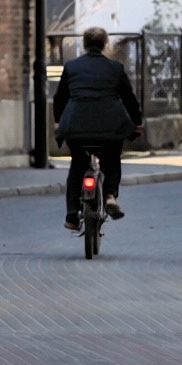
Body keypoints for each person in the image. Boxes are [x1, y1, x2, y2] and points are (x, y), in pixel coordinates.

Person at [52, 26, 144, 231]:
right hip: (109, 126)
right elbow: (129, 99)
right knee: (111, 159)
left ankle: (71, 216)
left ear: (84, 45)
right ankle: (110, 194)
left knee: (78, 164)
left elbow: (60, 98)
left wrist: (59, 120)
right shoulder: (115, 68)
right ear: (105, 44)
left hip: (76, 126)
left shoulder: (71, 67)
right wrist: (137, 122)